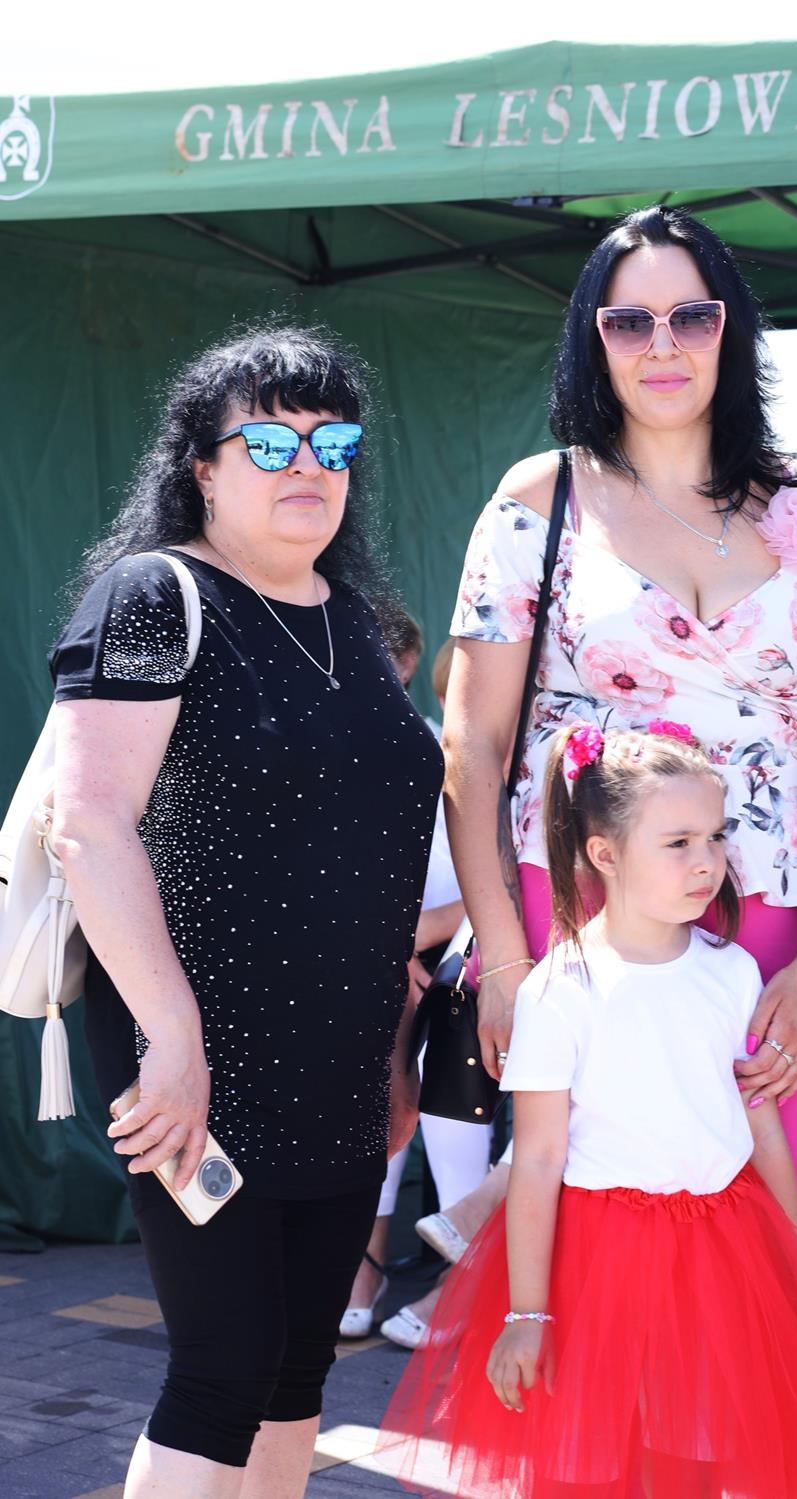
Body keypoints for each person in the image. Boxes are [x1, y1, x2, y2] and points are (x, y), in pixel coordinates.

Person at [415, 204, 797, 1321]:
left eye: (692, 316)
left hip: (768, 909)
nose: (662, 345)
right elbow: (473, 745)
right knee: (589, 1237)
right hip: (577, 906)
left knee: (762, 1243)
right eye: (629, 321)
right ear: (593, 337)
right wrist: (502, 961)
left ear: (733, 329)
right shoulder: (538, 499)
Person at [48, 326, 443, 1499]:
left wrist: (391, 1047)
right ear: (205, 467)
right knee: (223, 1366)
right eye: (269, 441)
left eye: (333, 441)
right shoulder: (154, 594)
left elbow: (367, 856)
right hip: (193, 1047)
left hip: (341, 1058)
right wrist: (171, 1037)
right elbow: (90, 824)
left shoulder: (356, 623)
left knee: (296, 1365)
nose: (306, 463)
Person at [377, 725, 797, 1499]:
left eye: (715, 836)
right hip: (593, 1261)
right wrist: (528, 1315)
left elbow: (761, 1127)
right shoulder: (559, 991)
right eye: (677, 842)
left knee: (697, 1458)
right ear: (604, 853)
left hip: (720, 1252)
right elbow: (536, 1159)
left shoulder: (732, 972)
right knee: (587, 1464)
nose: (707, 860)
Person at [341, 631, 487, 1345]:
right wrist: (389, 948)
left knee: (451, 1050)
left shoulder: (536, 762)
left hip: (488, 947)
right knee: (381, 1051)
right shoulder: (392, 749)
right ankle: (362, 1262)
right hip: (393, 952)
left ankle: (465, 1272)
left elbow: (521, 880)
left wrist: (421, 937)